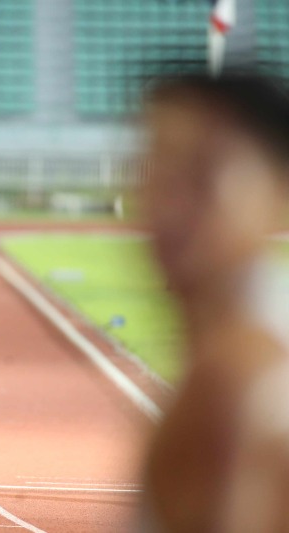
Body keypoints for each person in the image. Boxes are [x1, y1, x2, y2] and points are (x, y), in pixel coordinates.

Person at [139, 72, 289, 532]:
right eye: (156, 172)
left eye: (203, 175)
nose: (170, 204)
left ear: (280, 190)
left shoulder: (240, 386)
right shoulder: (226, 354)